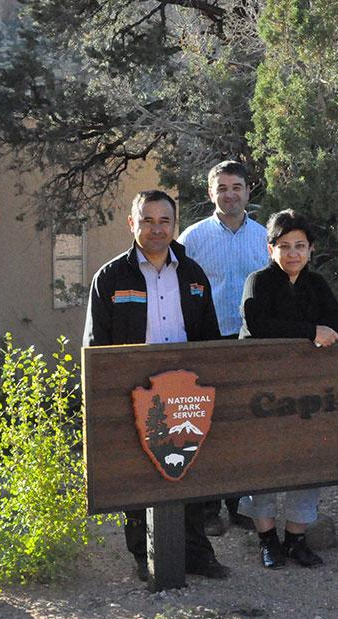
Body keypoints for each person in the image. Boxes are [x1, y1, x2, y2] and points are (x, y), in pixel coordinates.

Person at [83, 189, 229, 581]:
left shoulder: (193, 274)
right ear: (132, 224)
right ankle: (143, 556)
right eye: (147, 220)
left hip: (185, 392)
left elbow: (209, 339)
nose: (156, 229)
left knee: (190, 470)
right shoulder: (110, 278)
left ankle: (198, 554)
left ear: (174, 225)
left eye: (164, 220)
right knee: (139, 476)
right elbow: (96, 347)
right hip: (136, 393)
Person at [237, 210, 338, 568]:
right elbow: (259, 323)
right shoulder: (258, 281)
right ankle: (267, 539)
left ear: (311, 249)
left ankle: (296, 539)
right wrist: (309, 332)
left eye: (300, 246)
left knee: (306, 460)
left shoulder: (317, 285)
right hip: (263, 391)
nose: (293, 253)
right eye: (284, 246)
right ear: (271, 249)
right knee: (262, 463)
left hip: (307, 392)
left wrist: (318, 329)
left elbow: (337, 321)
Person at [178, 160, 268, 535]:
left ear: (248, 191)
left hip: (248, 341)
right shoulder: (192, 239)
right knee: (204, 425)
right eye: (222, 188)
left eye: (236, 187)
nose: (229, 194)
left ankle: (241, 505)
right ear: (210, 193)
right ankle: (207, 509)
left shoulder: (264, 237)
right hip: (206, 340)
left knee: (243, 426)